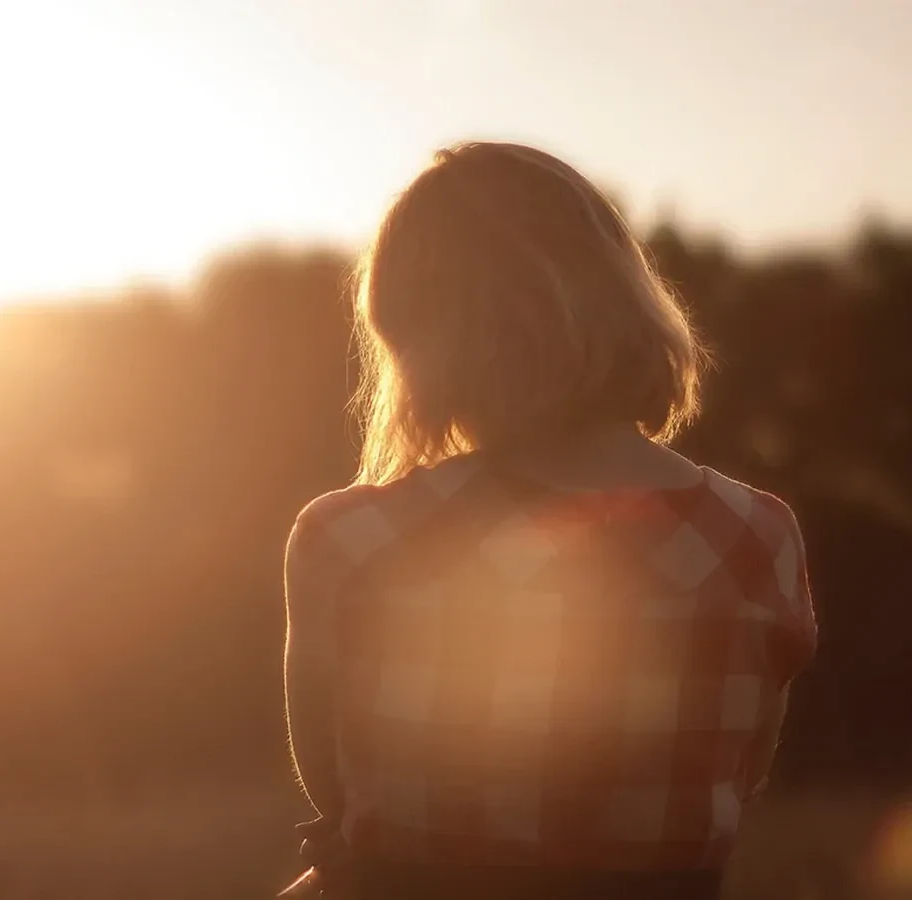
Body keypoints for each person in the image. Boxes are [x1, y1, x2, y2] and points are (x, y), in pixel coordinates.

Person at [281, 142, 817, 900]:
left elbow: (341, 797)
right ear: (624, 295)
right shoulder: (757, 537)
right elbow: (736, 786)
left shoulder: (353, 540)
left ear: (419, 338)